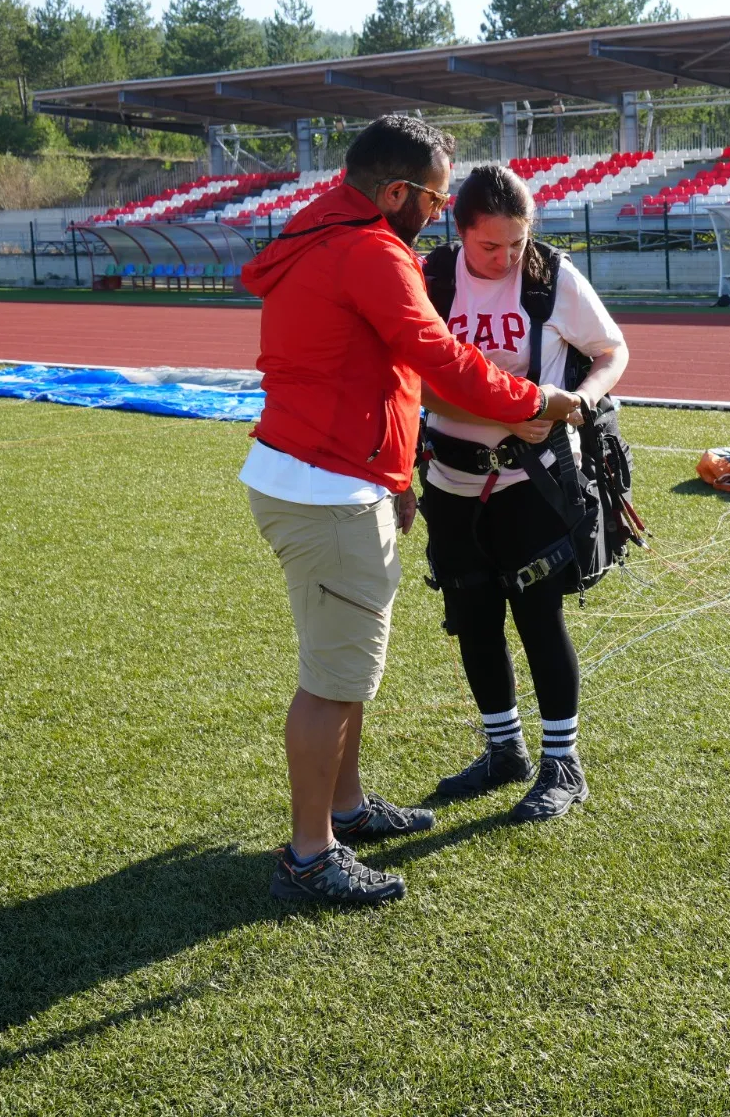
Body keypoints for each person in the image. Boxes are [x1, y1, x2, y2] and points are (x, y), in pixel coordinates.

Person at [241, 117, 579, 906]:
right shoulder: (371, 250)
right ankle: (308, 852)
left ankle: (347, 809)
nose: (439, 211)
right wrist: (535, 399)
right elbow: (442, 359)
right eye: (434, 197)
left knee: (346, 668)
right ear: (395, 192)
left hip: (322, 472)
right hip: (327, 487)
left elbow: (365, 366)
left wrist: (395, 473)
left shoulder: (319, 228)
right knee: (331, 679)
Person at [416, 164, 629, 822]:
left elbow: (611, 350)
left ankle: (561, 763)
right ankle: (502, 749)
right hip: (450, 480)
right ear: (459, 229)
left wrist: (583, 404)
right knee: (473, 616)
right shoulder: (432, 280)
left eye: (518, 241)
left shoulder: (551, 277)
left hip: (531, 481)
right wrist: (502, 413)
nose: (508, 258)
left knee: (540, 618)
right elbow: (408, 377)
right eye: (491, 246)